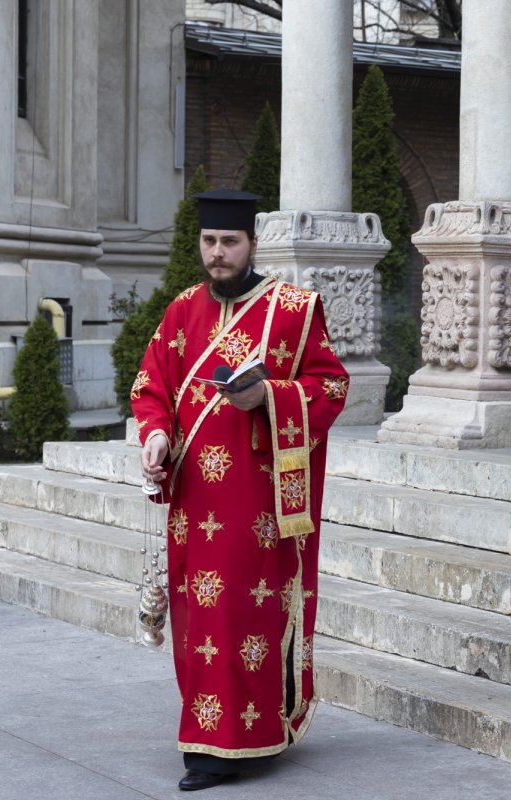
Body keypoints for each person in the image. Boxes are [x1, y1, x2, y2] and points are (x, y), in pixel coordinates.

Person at [132, 189, 349, 791]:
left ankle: (238, 743)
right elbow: (152, 385)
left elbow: (330, 385)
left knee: (241, 615)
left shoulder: (293, 309)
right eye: (209, 242)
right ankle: (209, 734)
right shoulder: (181, 311)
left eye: (229, 242)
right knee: (199, 622)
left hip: (259, 501)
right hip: (194, 497)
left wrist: (269, 398)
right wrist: (154, 436)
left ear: (252, 243)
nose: (218, 254)